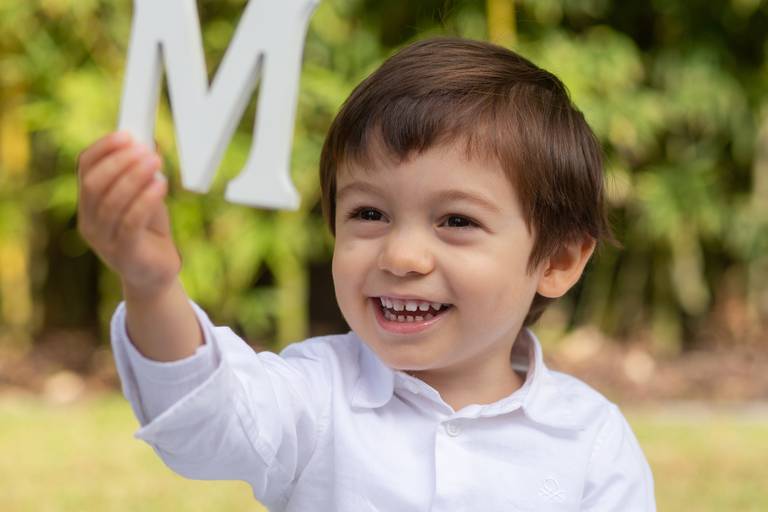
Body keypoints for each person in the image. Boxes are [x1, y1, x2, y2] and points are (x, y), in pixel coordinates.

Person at [77, 37, 655, 511]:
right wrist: (151, 286)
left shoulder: (590, 441)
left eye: (455, 220)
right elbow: (205, 419)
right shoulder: (313, 396)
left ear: (557, 261)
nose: (401, 256)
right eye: (369, 214)